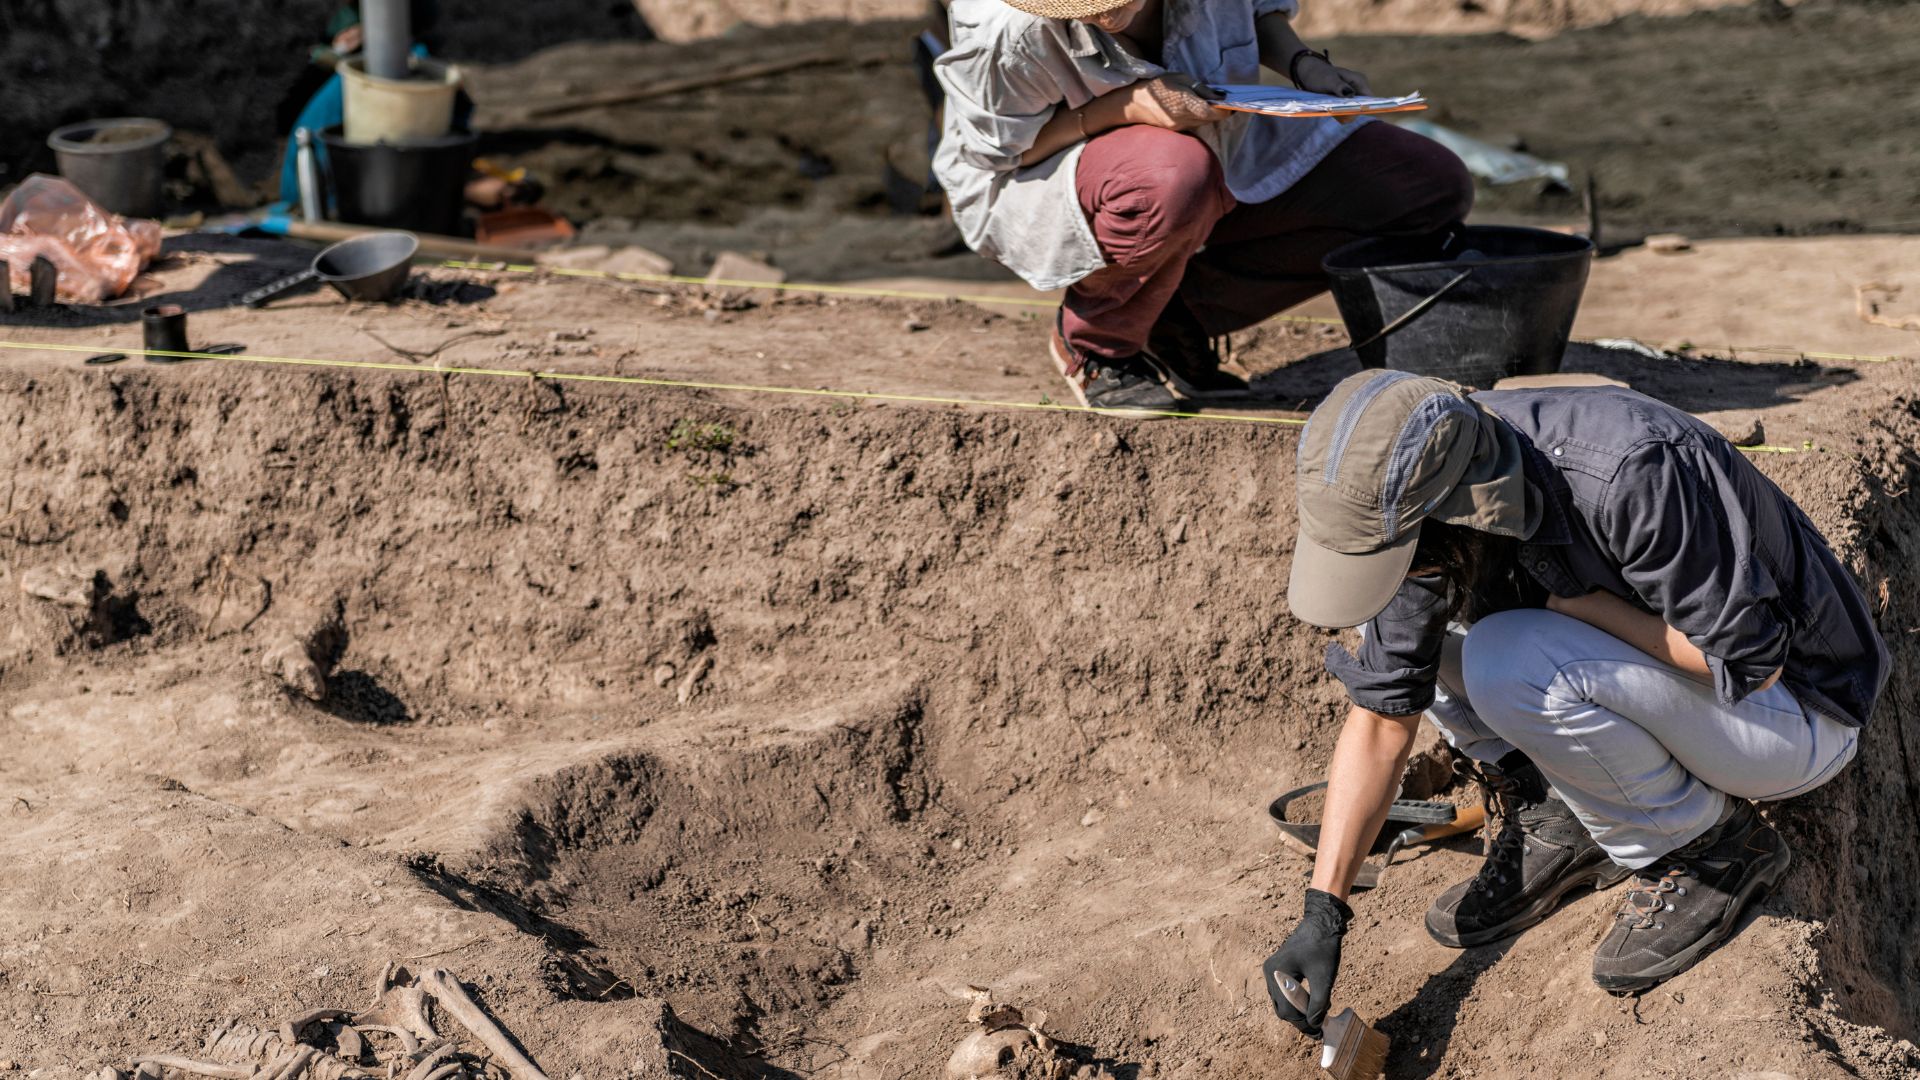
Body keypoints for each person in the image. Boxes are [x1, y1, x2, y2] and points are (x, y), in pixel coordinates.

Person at [1262, 370, 1887, 1037]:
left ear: (1448, 507)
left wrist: (1582, 609)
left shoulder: (1627, 474)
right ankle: (1561, 816)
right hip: (1667, 692)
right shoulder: (1433, 489)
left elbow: (1749, 664)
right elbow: (1385, 715)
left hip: (1796, 714)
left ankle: (1705, 851)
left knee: (1506, 658)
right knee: (1412, 637)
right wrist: (1323, 911)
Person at [933, 0, 1472, 412]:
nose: (1106, 14)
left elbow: (1255, 11)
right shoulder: (1008, 31)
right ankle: (1099, 345)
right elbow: (1003, 151)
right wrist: (1127, 109)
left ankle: (1174, 317)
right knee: (1171, 178)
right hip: (1050, 171)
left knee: (1424, 186)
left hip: (1222, 142)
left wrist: (1306, 66)